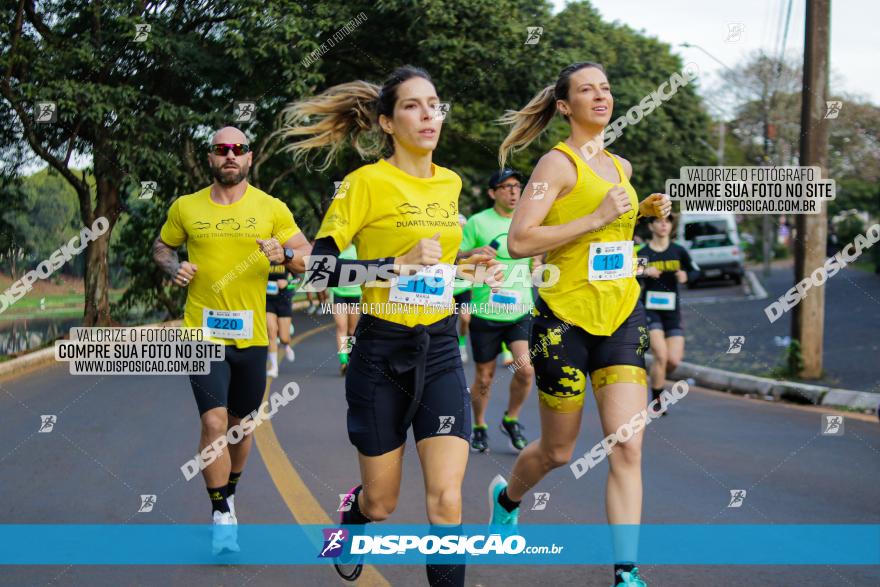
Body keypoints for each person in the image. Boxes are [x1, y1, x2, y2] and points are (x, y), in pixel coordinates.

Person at [277, 65, 498, 586]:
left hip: (441, 345)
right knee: (382, 502)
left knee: (446, 500)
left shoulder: (451, 183)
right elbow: (319, 268)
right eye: (413, 105)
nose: (428, 114)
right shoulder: (365, 183)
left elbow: (434, 267)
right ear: (386, 122)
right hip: (381, 352)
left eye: (434, 103)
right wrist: (391, 265)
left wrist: (466, 261)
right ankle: (352, 518)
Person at [487, 62, 671, 587]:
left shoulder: (622, 168)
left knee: (628, 444)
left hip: (620, 316)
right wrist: (593, 218)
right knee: (558, 451)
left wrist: (637, 214)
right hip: (562, 322)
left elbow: (606, 238)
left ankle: (627, 572)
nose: (601, 96)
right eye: (587, 90)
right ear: (565, 106)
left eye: (607, 88)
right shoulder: (557, 164)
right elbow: (521, 241)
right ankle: (507, 497)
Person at [152, 126, 311, 554]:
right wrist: (173, 267)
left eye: (237, 149)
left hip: (252, 336)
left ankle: (231, 489)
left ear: (249, 157)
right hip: (201, 334)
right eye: (222, 149)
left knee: (242, 426)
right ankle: (221, 511)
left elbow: (309, 257)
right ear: (210, 158)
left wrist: (287, 255)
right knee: (214, 422)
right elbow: (162, 248)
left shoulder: (271, 208)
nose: (230, 155)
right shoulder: (186, 207)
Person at [459, 168, 537, 454]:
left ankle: (510, 419)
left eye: (517, 186)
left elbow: (536, 259)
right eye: (505, 187)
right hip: (485, 311)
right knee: (484, 377)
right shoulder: (478, 222)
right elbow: (458, 259)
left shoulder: (528, 221)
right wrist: (472, 252)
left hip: (519, 311)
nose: (513, 191)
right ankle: (479, 424)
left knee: (526, 370)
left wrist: (538, 266)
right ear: (493, 193)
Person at [636, 214, 699, 408]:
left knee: (672, 360)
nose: (664, 224)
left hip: (672, 311)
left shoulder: (679, 251)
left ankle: (656, 372)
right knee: (660, 355)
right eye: (659, 221)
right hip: (650, 309)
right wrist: (644, 272)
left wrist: (686, 276)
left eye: (668, 221)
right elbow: (629, 277)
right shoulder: (643, 253)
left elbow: (696, 271)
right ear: (651, 226)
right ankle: (657, 401)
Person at [331, 243, 362, 375]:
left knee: (352, 330)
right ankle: (343, 361)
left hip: (355, 293)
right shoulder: (334, 249)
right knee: (341, 327)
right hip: (338, 293)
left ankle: (350, 356)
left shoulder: (357, 248)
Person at [266, 260, 296, 379]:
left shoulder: (286, 259)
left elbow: (298, 279)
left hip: (284, 301)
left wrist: (287, 283)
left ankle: (286, 345)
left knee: (284, 338)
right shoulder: (263, 260)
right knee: (271, 332)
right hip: (268, 301)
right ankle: (274, 367)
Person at [452, 214, 473, 363]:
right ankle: (452, 347)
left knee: (465, 318)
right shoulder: (447, 242)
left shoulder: (468, 242)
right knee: (448, 322)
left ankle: (462, 343)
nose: (461, 228)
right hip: (448, 289)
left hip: (464, 286)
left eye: (462, 226)